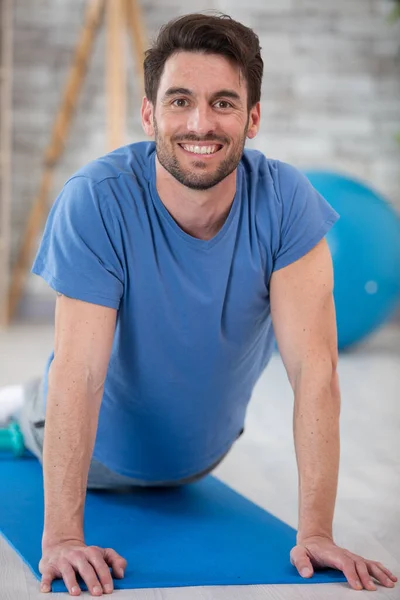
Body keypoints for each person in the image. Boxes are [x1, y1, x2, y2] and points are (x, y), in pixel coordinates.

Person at [1, 12, 397, 597]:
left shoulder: (288, 202)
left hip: (197, 461)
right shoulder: (96, 200)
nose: (199, 122)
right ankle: (12, 410)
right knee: (38, 401)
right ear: (149, 113)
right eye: (180, 100)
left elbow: (316, 373)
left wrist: (316, 530)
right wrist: (61, 537)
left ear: (253, 118)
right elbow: (80, 375)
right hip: (94, 454)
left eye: (223, 103)